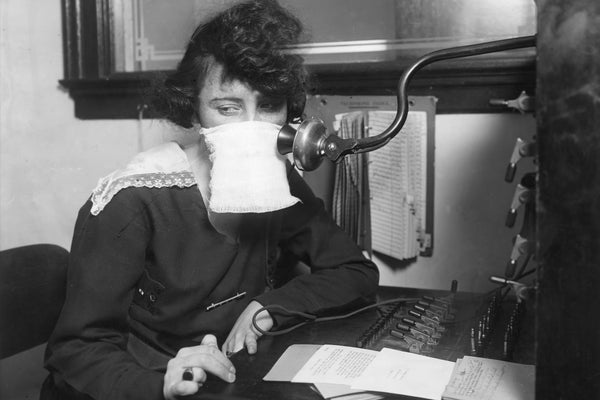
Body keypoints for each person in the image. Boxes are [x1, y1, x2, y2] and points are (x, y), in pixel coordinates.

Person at [42, 1, 379, 399]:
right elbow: (76, 350)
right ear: (195, 111)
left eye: (268, 106)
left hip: (223, 381)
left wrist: (272, 306)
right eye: (227, 108)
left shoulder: (278, 182)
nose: (252, 127)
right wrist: (161, 385)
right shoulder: (132, 201)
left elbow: (355, 271)